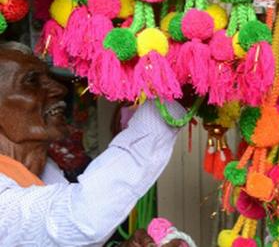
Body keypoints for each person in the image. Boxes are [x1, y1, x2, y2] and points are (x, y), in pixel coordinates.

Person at [0, 42, 184, 247]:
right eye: (32, 81)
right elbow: (81, 220)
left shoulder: (46, 172)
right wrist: (169, 102)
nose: (59, 89)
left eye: (48, 77)